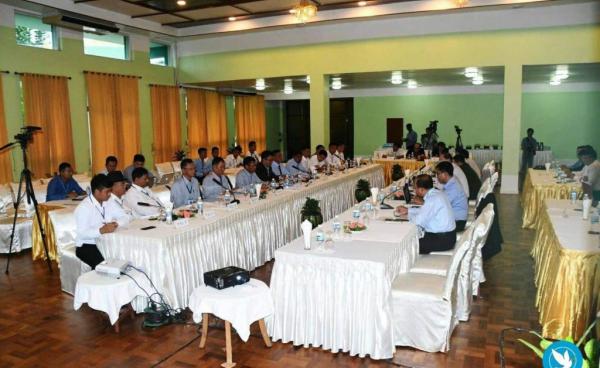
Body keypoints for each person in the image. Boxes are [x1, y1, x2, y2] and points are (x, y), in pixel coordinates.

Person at [74, 174, 129, 269]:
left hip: (107, 241)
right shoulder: (84, 208)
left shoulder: (109, 200)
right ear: (96, 191)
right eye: (107, 191)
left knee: (126, 259)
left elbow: (125, 216)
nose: (110, 194)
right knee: (110, 268)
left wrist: (116, 223)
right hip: (88, 245)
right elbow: (82, 233)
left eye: (110, 191)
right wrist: (101, 230)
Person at [395, 174, 456, 254]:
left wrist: (404, 218)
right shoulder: (437, 193)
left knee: (405, 245)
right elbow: (425, 211)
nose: (414, 190)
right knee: (407, 240)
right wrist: (408, 211)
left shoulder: (432, 199)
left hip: (442, 239)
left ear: (421, 190)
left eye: (415, 188)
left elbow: (418, 221)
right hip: (447, 236)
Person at [435, 162, 468, 231]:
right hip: (455, 219)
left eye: (438, 174)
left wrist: (424, 201)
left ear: (445, 174)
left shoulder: (454, 187)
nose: (437, 177)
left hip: (457, 222)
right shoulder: (452, 181)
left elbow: (439, 205)